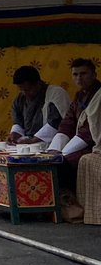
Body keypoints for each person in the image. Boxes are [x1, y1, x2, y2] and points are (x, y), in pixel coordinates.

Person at [48, 58, 100, 195]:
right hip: (81, 142)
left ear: (94, 75)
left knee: (63, 164)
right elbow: (67, 123)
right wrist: (53, 150)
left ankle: (69, 203)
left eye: (83, 74)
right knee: (50, 161)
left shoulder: (98, 95)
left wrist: (63, 154)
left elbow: (91, 130)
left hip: (94, 143)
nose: (79, 78)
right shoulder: (79, 96)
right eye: (75, 75)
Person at [6, 66, 69, 145]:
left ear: (38, 83)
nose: (24, 93)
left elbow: (56, 122)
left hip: (53, 143)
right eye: (21, 89)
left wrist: (32, 140)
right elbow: (17, 120)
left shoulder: (56, 93)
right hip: (28, 143)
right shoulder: (21, 98)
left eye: (27, 89)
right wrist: (15, 134)